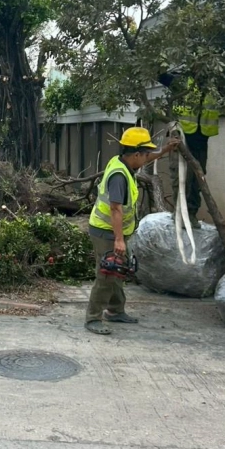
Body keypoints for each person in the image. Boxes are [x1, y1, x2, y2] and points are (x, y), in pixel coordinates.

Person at [85, 127, 178, 335]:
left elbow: (149, 157)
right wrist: (119, 240)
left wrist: (164, 150)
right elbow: (115, 208)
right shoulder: (119, 176)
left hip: (115, 231)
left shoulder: (124, 163)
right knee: (107, 273)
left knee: (117, 270)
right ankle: (93, 318)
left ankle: (115, 310)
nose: (146, 159)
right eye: (144, 154)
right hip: (106, 231)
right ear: (136, 154)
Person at [158, 73, 220, 222]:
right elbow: (160, 74)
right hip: (182, 139)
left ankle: (191, 215)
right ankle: (179, 215)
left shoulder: (215, 83)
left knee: (197, 181)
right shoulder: (181, 82)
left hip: (201, 140)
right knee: (181, 180)